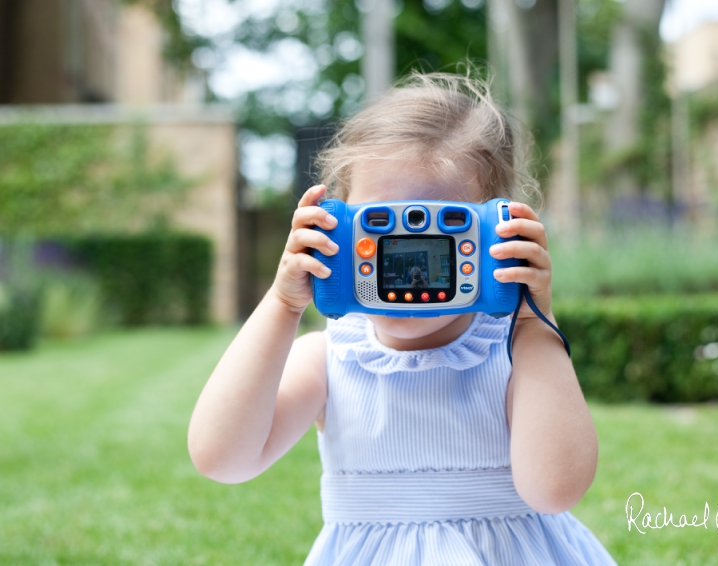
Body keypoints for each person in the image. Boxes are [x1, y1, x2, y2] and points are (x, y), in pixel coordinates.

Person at [188, 70, 617, 565]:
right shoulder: (329, 358)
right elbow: (221, 458)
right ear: (337, 228)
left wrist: (533, 321)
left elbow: (554, 491)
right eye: (382, 235)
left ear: (499, 232)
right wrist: (283, 304)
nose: (408, 282)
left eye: (439, 244)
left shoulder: (517, 354)